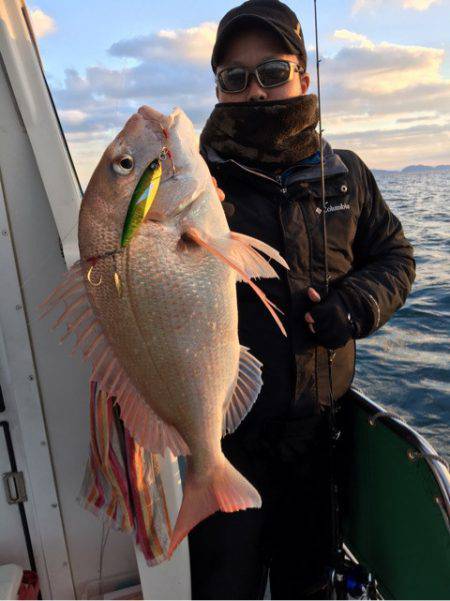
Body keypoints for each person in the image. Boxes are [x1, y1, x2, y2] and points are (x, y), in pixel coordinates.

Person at [188, 1, 416, 599]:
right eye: (234, 79)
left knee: (308, 586)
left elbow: (396, 258)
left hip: (320, 440)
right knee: (222, 587)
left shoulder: (347, 175)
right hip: (223, 441)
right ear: (218, 88)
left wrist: (354, 306)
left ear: (304, 77)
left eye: (273, 71)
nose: (255, 91)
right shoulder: (195, 189)